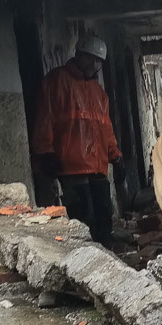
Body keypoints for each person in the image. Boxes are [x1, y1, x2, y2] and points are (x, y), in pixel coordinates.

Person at [31, 34, 122, 245]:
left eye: (99, 60)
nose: (95, 64)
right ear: (79, 54)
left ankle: (107, 257)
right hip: (71, 167)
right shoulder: (57, 81)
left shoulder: (99, 93)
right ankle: (86, 258)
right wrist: (45, 152)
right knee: (83, 217)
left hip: (97, 166)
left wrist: (116, 156)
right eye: (91, 58)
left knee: (104, 215)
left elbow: (106, 128)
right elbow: (45, 117)